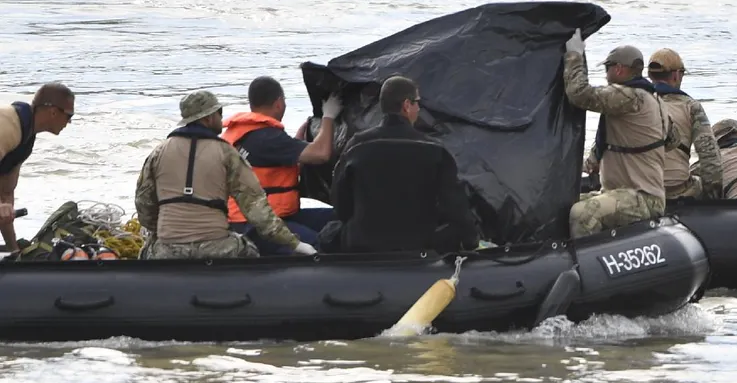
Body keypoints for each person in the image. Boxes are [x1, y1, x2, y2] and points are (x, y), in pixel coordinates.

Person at [134, 91, 316, 259]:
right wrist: (295, 243)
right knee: (250, 251)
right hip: (216, 246)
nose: (222, 117)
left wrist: (164, 233)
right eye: (219, 112)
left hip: (168, 250)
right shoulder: (227, 153)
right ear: (207, 118)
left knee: (146, 252)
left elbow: (143, 204)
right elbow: (258, 211)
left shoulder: (158, 152)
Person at [329, 76, 480, 253]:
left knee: (329, 232)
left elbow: (340, 203)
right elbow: (456, 207)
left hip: (363, 242)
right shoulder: (434, 150)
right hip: (419, 244)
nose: (418, 108)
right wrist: (471, 242)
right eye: (417, 103)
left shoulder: (356, 145)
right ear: (407, 105)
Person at [221, 76, 344, 255]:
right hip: (257, 225)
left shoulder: (241, 133)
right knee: (323, 242)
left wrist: (301, 137)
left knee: (338, 218)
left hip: (258, 215)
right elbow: (321, 154)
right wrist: (329, 116)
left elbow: (276, 157)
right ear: (279, 103)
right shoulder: (268, 137)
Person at [563, 32, 668, 237]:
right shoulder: (655, 100)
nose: (605, 74)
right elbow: (670, 140)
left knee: (582, 213)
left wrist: (574, 55)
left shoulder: (630, 96)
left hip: (642, 197)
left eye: (607, 68)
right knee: (564, 204)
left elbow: (579, 94)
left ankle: (585, 265)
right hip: (622, 193)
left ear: (619, 69)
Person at [0, 83, 76, 252]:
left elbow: (6, 196)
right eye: (69, 115)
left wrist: (14, 251)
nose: (69, 122)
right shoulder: (7, 125)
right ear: (53, 112)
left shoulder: (25, 139)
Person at [640, 48, 723, 200]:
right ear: (676, 75)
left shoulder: (634, 104)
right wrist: (713, 197)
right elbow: (710, 157)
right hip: (675, 192)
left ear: (650, 75)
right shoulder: (691, 107)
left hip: (639, 191)